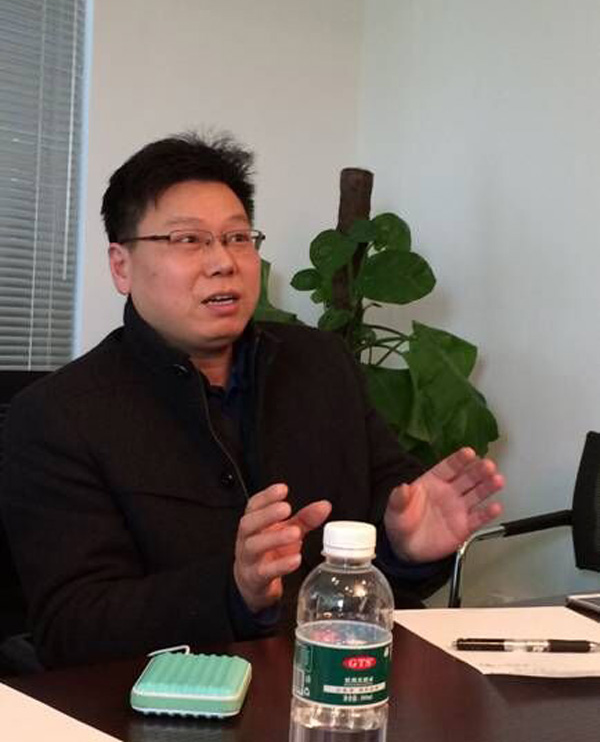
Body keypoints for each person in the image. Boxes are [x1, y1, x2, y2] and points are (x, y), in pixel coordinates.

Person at [1, 133, 504, 668]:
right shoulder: (58, 416)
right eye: (188, 240)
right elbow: (72, 626)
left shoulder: (322, 363)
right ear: (121, 265)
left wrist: (405, 545)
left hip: (347, 681)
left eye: (238, 237)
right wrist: (233, 589)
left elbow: (391, 518)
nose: (223, 262)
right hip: (175, 702)